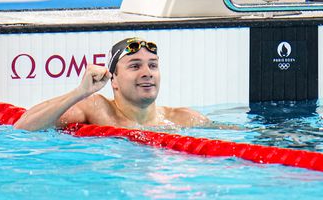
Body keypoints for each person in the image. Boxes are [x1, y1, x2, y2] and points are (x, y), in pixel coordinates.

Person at [14, 37, 216, 131]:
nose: (147, 73)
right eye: (135, 66)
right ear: (114, 80)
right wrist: (79, 93)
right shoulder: (98, 109)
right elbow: (23, 127)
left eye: (153, 66)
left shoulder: (185, 119)